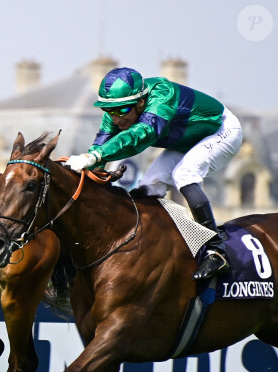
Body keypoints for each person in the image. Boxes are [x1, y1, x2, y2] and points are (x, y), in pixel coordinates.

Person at [66, 67, 243, 280]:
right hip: (186, 140)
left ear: (141, 102)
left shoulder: (162, 94)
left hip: (221, 130)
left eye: (122, 111)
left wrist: (95, 155)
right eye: (109, 111)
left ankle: (216, 251)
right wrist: (84, 168)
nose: (115, 119)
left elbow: (143, 134)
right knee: (149, 185)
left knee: (184, 174)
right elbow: (99, 153)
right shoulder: (115, 112)